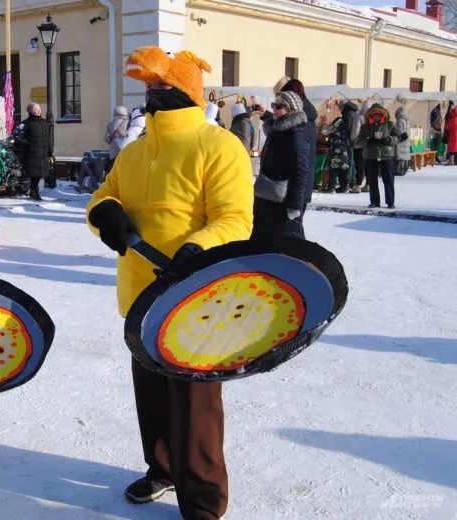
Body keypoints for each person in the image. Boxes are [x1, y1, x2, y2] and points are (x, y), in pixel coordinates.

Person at [87, 46, 253, 520]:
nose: (155, 96)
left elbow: (235, 218)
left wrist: (198, 246)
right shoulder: (136, 150)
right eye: (151, 89)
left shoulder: (219, 146)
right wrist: (104, 213)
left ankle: (202, 501)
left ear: (189, 93)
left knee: (196, 406)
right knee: (152, 392)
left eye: (165, 89)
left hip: (198, 298)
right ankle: (161, 468)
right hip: (142, 297)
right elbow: (104, 195)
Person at [252, 91, 310, 241]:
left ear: (291, 110)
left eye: (279, 106)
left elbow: (301, 171)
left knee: (284, 245)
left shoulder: (295, 135)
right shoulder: (279, 131)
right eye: (274, 105)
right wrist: (265, 114)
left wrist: (295, 205)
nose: (275, 109)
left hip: (282, 202)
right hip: (268, 197)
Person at [280, 80, 318, 211]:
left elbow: (300, 163)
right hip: (297, 187)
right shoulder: (305, 116)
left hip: (295, 188)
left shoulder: (300, 124)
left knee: (292, 228)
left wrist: (295, 200)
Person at [358, 103, 398, 209]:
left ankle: (390, 202)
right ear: (370, 116)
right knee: (372, 180)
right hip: (370, 156)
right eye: (374, 115)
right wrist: (368, 141)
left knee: (388, 180)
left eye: (379, 115)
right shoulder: (365, 127)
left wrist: (388, 140)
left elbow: (398, 138)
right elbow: (359, 141)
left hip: (386, 155)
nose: (377, 117)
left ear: (383, 115)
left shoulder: (390, 125)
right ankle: (374, 201)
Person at [20, 102, 53, 201]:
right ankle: (34, 191)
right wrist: (28, 143)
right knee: (35, 173)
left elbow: (48, 138)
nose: (38, 111)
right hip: (32, 152)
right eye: (35, 110)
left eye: (39, 109)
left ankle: (35, 190)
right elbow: (19, 137)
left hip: (43, 152)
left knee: (41, 172)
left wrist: (50, 151)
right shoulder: (26, 123)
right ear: (30, 111)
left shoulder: (44, 123)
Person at [325, 101, 357, 193]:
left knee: (334, 168)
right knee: (344, 167)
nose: (339, 109)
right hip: (346, 147)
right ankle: (344, 186)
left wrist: (328, 126)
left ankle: (331, 187)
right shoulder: (353, 114)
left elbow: (327, 131)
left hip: (337, 149)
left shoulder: (343, 120)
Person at [350, 100, 371, 193]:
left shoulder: (360, 117)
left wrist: (352, 141)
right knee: (368, 166)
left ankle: (358, 185)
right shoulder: (372, 117)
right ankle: (368, 185)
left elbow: (355, 131)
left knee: (359, 166)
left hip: (359, 145)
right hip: (369, 145)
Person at [394, 106, 413, 176]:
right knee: (404, 155)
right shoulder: (406, 120)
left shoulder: (400, 120)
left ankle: (399, 170)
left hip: (401, 142)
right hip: (406, 141)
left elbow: (399, 132)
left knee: (400, 155)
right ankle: (402, 169)